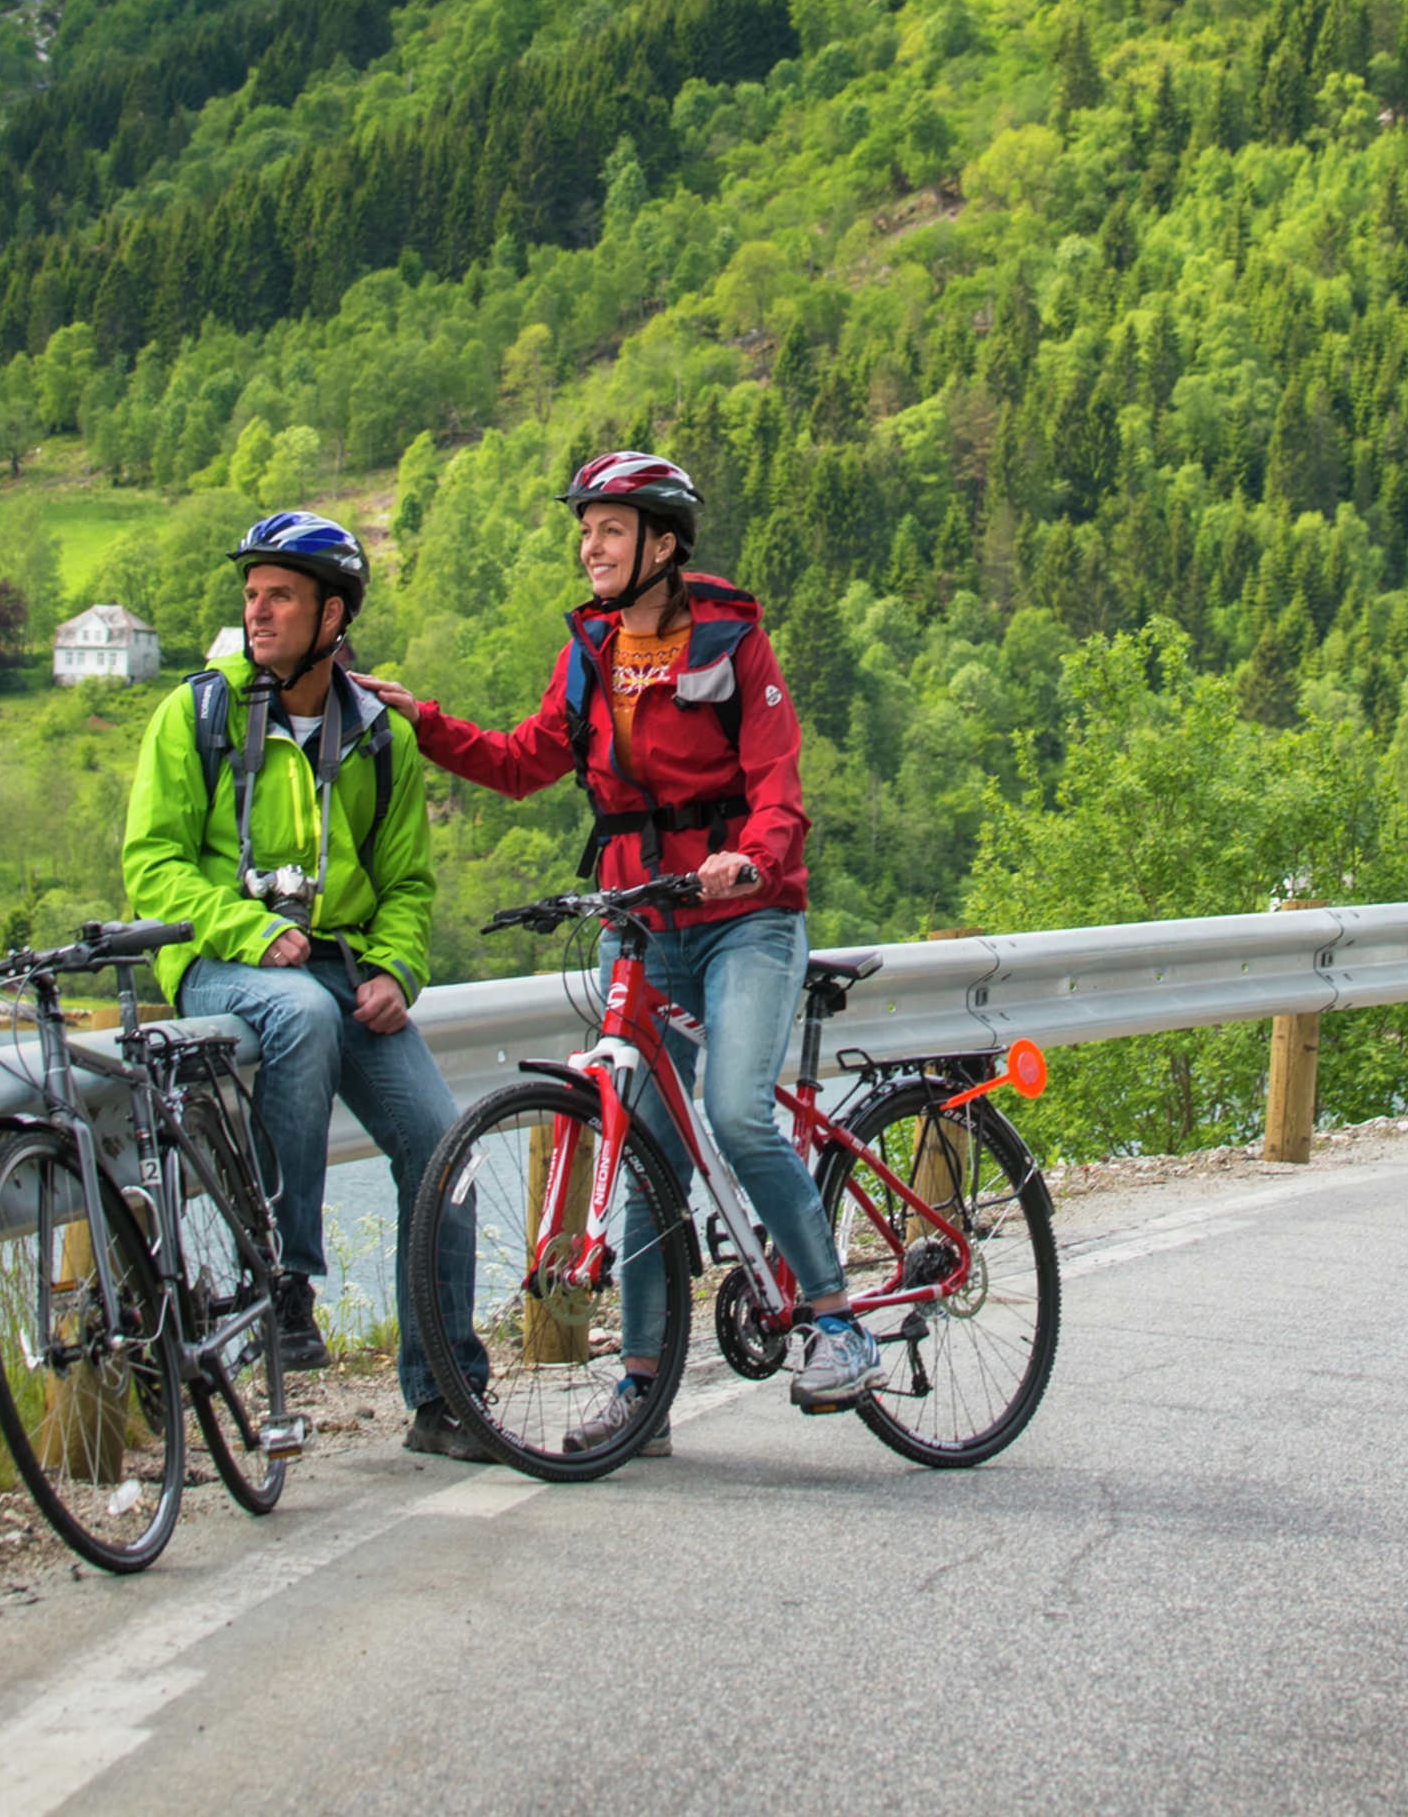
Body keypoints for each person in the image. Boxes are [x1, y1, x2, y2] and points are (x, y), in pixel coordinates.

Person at [360, 449, 860, 1457]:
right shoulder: (589, 651)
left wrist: (747, 862)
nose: (590, 545)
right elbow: (525, 759)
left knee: (734, 1111)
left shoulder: (732, 642)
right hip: (639, 921)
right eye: (584, 529)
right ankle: (645, 1391)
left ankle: (835, 1321)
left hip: (743, 919)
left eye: (611, 528)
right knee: (645, 1160)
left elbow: (780, 793)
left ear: (665, 544)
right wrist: (425, 724)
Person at [119, 509, 490, 1462]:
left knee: (446, 1148)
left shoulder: (380, 739)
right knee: (297, 1017)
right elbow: (153, 866)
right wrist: (249, 929)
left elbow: (407, 883)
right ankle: (286, 1282)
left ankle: (447, 1395)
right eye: (250, 594)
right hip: (223, 966)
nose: (258, 611)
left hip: (345, 972)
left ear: (333, 615)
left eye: (279, 595)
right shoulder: (195, 715)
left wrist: (398, 969)